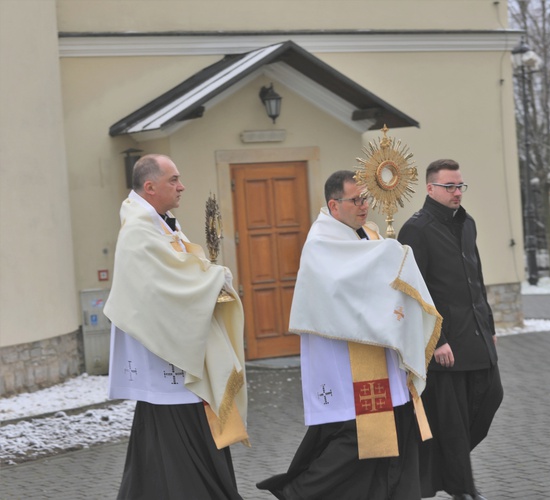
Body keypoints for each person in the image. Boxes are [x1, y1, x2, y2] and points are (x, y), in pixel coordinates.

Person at [257, 170, 442, 500]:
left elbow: (375, 285)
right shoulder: (321, 242)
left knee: (388, 433)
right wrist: (388, 256)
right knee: (355, 438)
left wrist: (386, 256)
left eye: (366, 198)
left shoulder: (366, 234)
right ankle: (298, 492)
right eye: (356, 199)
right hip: (343, 363)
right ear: (334, 204)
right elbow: (344, 287)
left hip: (375, 354)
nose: (364, 205)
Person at [104, 154, 248, 500]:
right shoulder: (138, 231)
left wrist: (206, 278)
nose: (181, 186)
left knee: (164, 451)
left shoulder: (163, 224)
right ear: (150, 187)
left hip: (177, 356)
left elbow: (181, 272)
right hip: (165, 360)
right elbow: (164, 286)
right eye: (173, 180)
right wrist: (214, 279)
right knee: (173, 445)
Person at [397, 159, 503, 500]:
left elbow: (478, 280)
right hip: (446, 344)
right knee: (454, 424)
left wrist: (490, 327)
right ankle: (462, 488)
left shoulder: (467, 223)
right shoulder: (416, 230)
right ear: (430, 189)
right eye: (449, 187)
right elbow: (415, 291)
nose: (457, 193)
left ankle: (445, 466)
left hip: (476, 335)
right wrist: (436, 341)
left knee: (491, 397)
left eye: (460, 186)